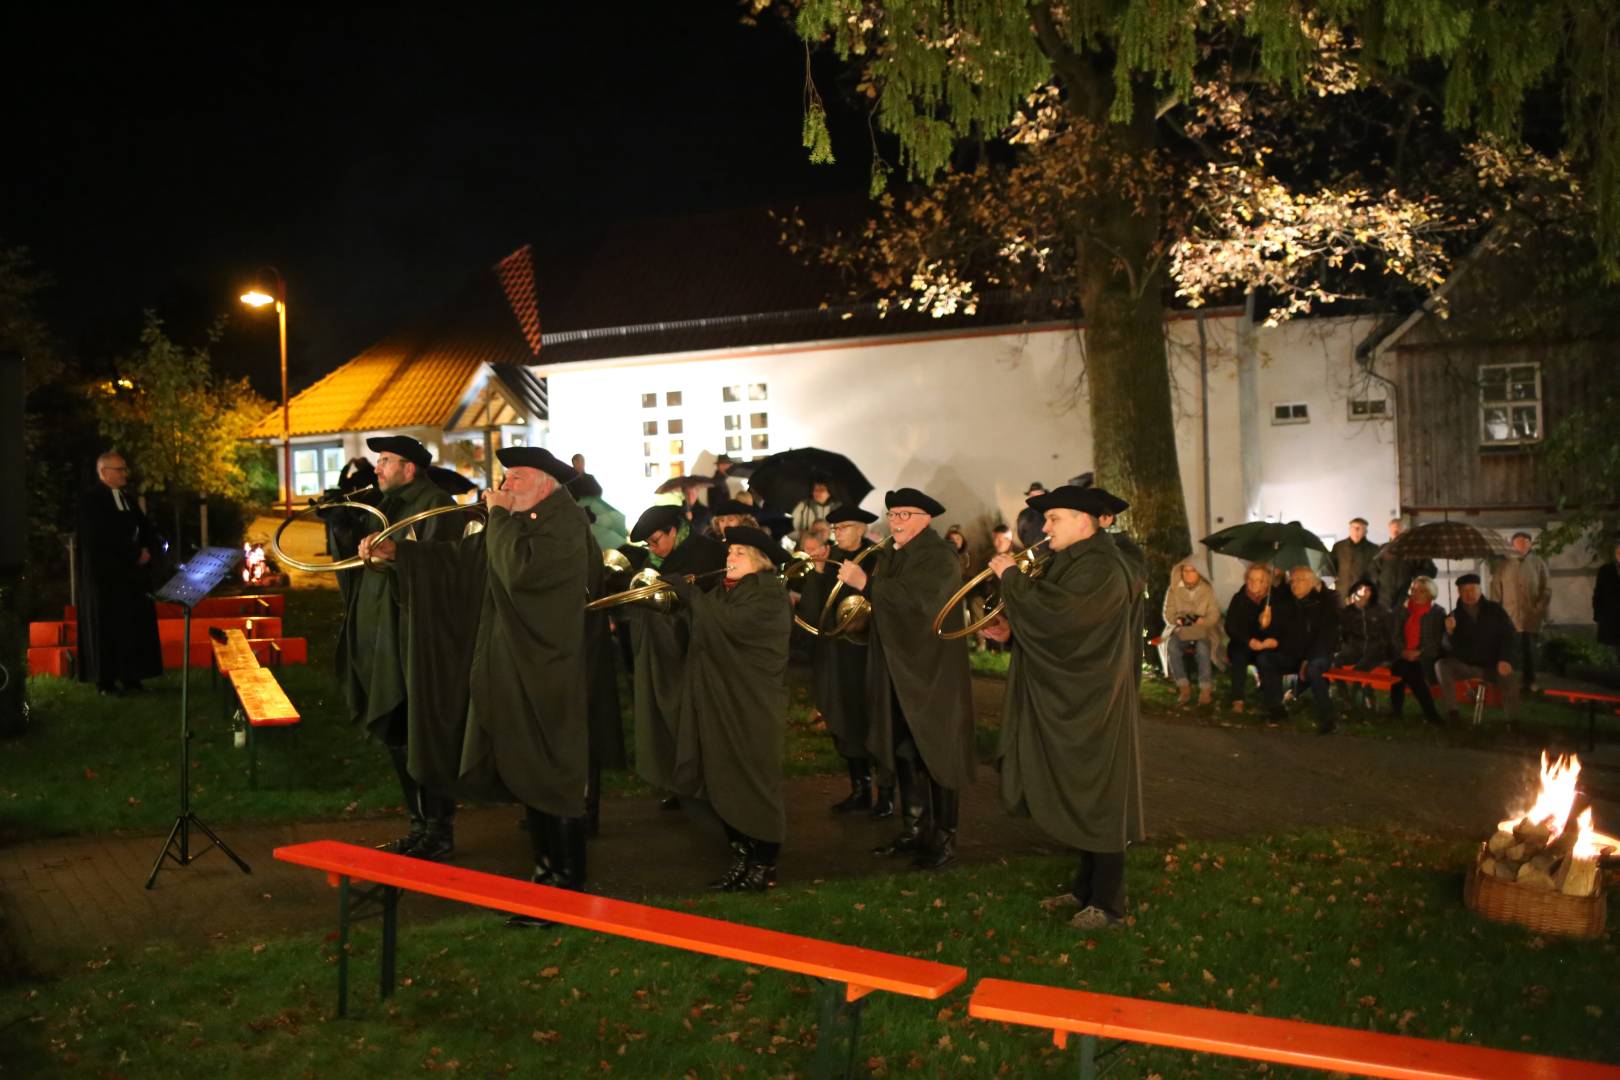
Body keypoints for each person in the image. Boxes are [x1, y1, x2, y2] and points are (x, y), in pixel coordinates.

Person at [361, 446, 593, 924]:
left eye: (515, 479)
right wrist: (399, 552)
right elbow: (466, 559)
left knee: (552, 772)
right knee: (534, 772)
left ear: (545, 484)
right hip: (515, 665)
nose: (503, 488)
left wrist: (501, 518)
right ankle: (547, 879)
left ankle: (565, 889)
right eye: (505, 480)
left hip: (548, 670)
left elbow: (519, 572)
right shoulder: (525, 518)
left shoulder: (563, 525)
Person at [982, 485, 1144, 932]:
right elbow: (1059, 626)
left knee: (1099, 792)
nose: (1044, 527)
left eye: (1054, 518)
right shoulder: (1074, 562)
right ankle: (1086, 887)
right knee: (1084, 789)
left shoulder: (1102, 568)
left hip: (1092, 698)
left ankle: (1108, 903)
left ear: (1086, 522)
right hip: (1077, 692)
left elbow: (1064, 618)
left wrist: (1011, 580)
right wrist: (1013, 632)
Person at [336, 435, 463, 859]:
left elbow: (445, 565)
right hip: (386, 640)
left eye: (386, 460)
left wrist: (399, 555)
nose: (378, 468)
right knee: (399, 733)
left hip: (416, 642)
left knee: (423, 734)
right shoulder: (386, 506)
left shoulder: (435, 503)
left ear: (410, 468)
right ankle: (419, 824)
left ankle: (438, 830)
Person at [837, 487, 975, 871]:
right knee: (905, 751)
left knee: (937, 752)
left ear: (925, 519)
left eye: (905, 515)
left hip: (932, 673)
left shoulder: (940, 556)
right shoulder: (894, 556)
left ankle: (944, 838)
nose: (895, 522)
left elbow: (921, 602)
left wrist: (868, 584)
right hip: (900, 669)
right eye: (893, 514)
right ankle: (915, 829)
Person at [663, 525, 791, 892]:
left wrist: (689, 595)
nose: (729, 558)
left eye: (739, 553)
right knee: (723, 774)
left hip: (751, 703)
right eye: (730, 552)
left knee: (753, 777)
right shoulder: (723, 591)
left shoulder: (768, 595)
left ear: (760, 561)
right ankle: (741, 853)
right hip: (718, 699)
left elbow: (729, 625)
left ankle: (764, 862)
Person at [625, 504, 727, 805]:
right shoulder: (653, 561)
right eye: (648, 545)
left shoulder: (708, 553)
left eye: (656, 540)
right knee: (669, 716)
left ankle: (706, 785)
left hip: (698, 650)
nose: (653, 548)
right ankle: (679, 782)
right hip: (665, 653)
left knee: (698, 719)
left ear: (674, 530)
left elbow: (715, 602)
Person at [795, 506, 891, 816]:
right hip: (837, 655)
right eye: (835, 527)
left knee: (874, 720)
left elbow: (887, 603)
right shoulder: (831, 558)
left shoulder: (878, 558)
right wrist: (819, 575)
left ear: (862, 529)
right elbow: (812, 614)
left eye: (844, 526)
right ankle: (860, 789)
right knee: (845, 721)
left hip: (868, 655)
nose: (838, 532)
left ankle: (886, 793)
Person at [75, 451, 163, 695]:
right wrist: (134, 554)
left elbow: (143, 526)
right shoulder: (92, 501)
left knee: (132, 626)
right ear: (103, 472)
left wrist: (146, 548)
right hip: (106, 578)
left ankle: (132, 676)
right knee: (109, 628)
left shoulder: (125, 498)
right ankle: (106, 681)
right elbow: (101, 539)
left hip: (130, 579)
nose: (125, 474)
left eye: (124, 469)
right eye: (119, 469)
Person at [1258, 566, 1340, 732]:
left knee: (1313, 669)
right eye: (1293, 580)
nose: (1295, 584)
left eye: (1300, 580)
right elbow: (1276, 632)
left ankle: (1328, 717)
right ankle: (1276, 708)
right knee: (1265, 658)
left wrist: (1307, 659)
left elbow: (1325, 638)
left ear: (1311, 583)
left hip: (1316, 654)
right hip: (1293, 654)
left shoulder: (1323, 604)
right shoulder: (1287, 603)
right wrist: (1265, 624)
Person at [1436, 572, 1520, 725]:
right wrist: (1449, 632)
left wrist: (1505, 659)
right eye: (1465, 591)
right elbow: (1447, 647)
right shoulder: (1453, 616)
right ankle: (1452, 713)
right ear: (1459, 593)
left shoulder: (1495, 611)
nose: (1469, 594)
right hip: (1467, 665)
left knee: (1510, 677)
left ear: (1480, 590)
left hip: (1493, 665)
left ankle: (1513, 722)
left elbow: (1509, 636)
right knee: (1441, 665)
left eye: (1472, 589)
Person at [1489, 532, 1551, 693]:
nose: (1521, 546)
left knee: (1530, 650)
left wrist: (1539, 608)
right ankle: (1511, 682)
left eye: (1524, 542)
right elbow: (1495, 589)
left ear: (1530, 544)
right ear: (1512, 545)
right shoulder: (1504, 564)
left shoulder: (1538, 563)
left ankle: (1530, 681)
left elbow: (1547, 588)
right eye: (1517, 543)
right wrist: (1496, 611)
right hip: (1510, 615)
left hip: (1531, 616)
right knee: (1511, 650)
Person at [1388, 576, 1446, 725]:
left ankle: (1396, 712)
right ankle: (1431, 715)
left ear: (1430, 594)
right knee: (1401, 667)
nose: (1415, 594)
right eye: (1413, 590)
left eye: (1421, 591)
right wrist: (1403, 652)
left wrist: (1418, 652)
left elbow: (1436, 641)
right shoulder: (1405, 609)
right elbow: (1395, 635)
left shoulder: (1437, 612)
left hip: (1426, 656)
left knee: (1408, 669)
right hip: (1404, 655)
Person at [1161, 558, 1219, 706]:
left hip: (1202, 631)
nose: (1188, 574)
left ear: (1199, 573)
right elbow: (1168, 613)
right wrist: (1177, 619)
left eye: (1192, 571)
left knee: (1203, 648)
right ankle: (1183, 687)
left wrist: (1202, 621)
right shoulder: (1174, 589)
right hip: (1181, 630)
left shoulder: (1207, 590)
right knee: (1172, 647)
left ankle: (1205, 690)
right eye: (1185, 571)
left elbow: (1214, 614)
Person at [1223, 565, 1275, 714]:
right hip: (1242, 643)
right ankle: (1237, 699)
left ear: (1265, 583)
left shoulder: (1272, 600)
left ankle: (1269, 699)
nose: (1253, 583)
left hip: (1264, 645)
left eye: (1258, 580)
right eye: (1250, 579)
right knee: (1239, 657)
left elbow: (1279, 629)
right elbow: (1230, 626)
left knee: (1266, 658)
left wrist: (1265, 625)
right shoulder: (1239, 598)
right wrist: (1248, 640)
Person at [1334, 578, 1394, 671]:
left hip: (1375, 649)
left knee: (1360, 669)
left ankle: (1358, 685)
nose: (1364, 591)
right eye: (1361, 588)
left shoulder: (1380, 610)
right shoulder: (1348, 611)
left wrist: (1388, 651)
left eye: (1368, 589)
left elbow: (1388, 632)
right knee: (1337, 662)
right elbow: (1344, 631)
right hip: (1355, 647)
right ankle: (1342, 685)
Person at [1372, 519, 1435, 606]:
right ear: (1389, 532)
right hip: (1384, 601)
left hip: (1409, 599)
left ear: (1405, 532)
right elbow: (1372, 573)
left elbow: (1430, 571)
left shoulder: (1416, 550)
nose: (1396, 534)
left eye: (1398, 531)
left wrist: (1415, 578)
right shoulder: (1382, 550)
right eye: (1393, 531)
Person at [570, 472, 628, 553]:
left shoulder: (591, 503)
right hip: (602, 548)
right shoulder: (580, 506)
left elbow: (612, 520)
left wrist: (595, 518)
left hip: (610, 547)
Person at [1330, 517, 1379, 605]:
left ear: (1365, 531)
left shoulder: (1373, 549)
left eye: (1359, 528)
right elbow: (1332, 567)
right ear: (1349, 529)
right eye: (1353, 527)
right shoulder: (1339, 547)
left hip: (1362, 593)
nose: (1356, 530)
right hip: (1342, 592)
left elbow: (1375, 573)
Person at [1596, 536, 1620, 658]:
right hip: (1613, 617)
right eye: (1618, 551)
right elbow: (1598, 594)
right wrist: (1598, 615)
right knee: (1617, 649)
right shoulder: (1605, 570)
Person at [1015, 482, 1047, 550]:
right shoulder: (1024, 514)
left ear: (1044, 495)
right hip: (1031, 550)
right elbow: (1020, 533)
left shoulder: (1050, 511)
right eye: (1033, 496)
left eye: (1038, 495)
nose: (1036, 499)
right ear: (1029, 497)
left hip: (1050, 551)